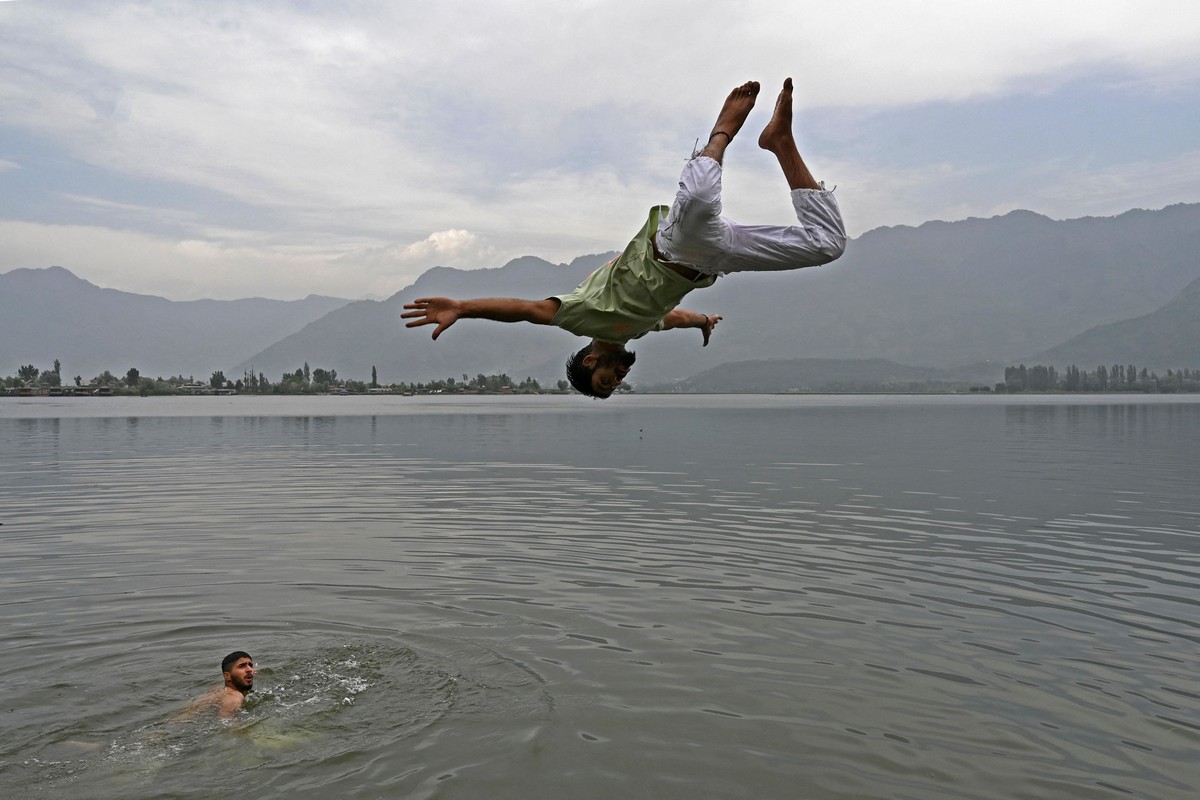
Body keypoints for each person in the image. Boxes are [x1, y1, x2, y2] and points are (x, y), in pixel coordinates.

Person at [402, 79, 846, 398]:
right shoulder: (638, 329)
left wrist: (463, 307)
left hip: (672, 246)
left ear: (591, 362)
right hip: (717, 259)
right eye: (615, 386)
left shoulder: (580, 317)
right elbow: (675, 319)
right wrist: (704, 322)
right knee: (827, 245)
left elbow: (527, 311)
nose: (616, 381)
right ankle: (781, 142)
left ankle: (722, 133)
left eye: (605, 382)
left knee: (699, 197)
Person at [179, 650, 256, 719]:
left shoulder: (217, 690)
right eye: (241, 666)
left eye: (250, 665)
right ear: (227, 676)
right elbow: (228, 726)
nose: (249, 669)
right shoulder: (235, 698)